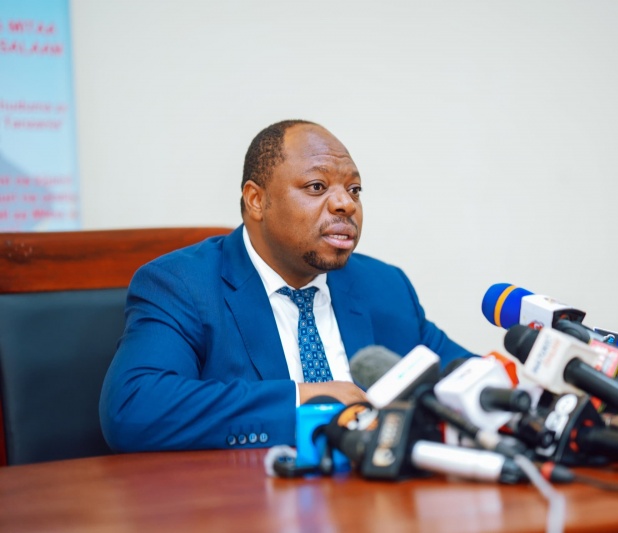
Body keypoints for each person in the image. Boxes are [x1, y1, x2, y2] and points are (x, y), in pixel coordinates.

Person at [99, 119, 473, 452]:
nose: (345, 204)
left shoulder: (385, 286)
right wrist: (304, 399)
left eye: (354, 190)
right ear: (256, 200)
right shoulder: (183, 284)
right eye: (317, 186)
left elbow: (467, 378)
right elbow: (133, 408)